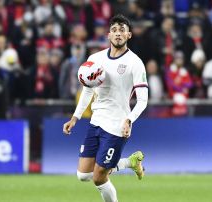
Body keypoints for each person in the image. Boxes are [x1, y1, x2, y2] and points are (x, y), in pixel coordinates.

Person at [62, 14, 148, 202]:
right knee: (83, 175)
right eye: (115, 30)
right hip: (96, 121)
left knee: (99, 176)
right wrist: (75, 117)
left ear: (129, 35)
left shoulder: (135, 63)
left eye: (122, 30)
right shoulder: (96, 58)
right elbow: (87, 91)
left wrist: (129, 120)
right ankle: (130, 162)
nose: (118, 34)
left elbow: (143, 100)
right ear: (108, 35)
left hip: (117, 125)